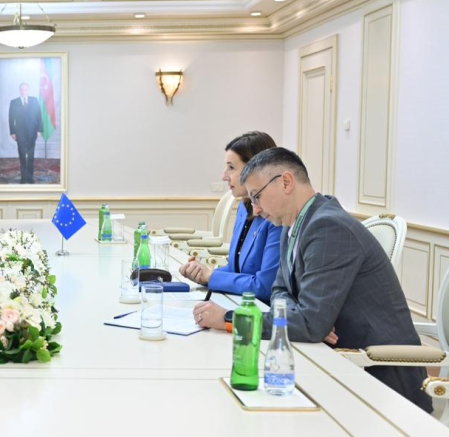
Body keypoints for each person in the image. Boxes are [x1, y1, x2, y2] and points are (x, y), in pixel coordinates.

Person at [193, 147, 432, 411]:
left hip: (379, 382)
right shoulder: (292, 224)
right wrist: (303, 316)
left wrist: (231, 319)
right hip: (337, 362)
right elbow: (280, 290)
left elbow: (310, 323)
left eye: (257, 197)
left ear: (286, 182)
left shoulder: (329, 227)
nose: (256, 210)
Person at [179, 131, 282, 303]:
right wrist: (202, 273)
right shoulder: (244, 207)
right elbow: (237, 269)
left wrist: (211, 276)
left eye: (231, 167)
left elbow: (264, 287)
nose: (224, 176)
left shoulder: (277, 216)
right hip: (236, 301)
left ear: (255, 169)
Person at [8, 82, 42, 184]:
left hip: (32, 132)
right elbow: (11, 118)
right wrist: (12, 132)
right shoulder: (14, 102)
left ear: (28, 90)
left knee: (31, 156)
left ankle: (30, 177)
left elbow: (39, 116)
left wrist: (39, 130)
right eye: (22, 89)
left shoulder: (34, 100)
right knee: (22, 155)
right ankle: (23, 177)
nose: (24, 91)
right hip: (20, 133)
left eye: (26, 89)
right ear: (19, 90)